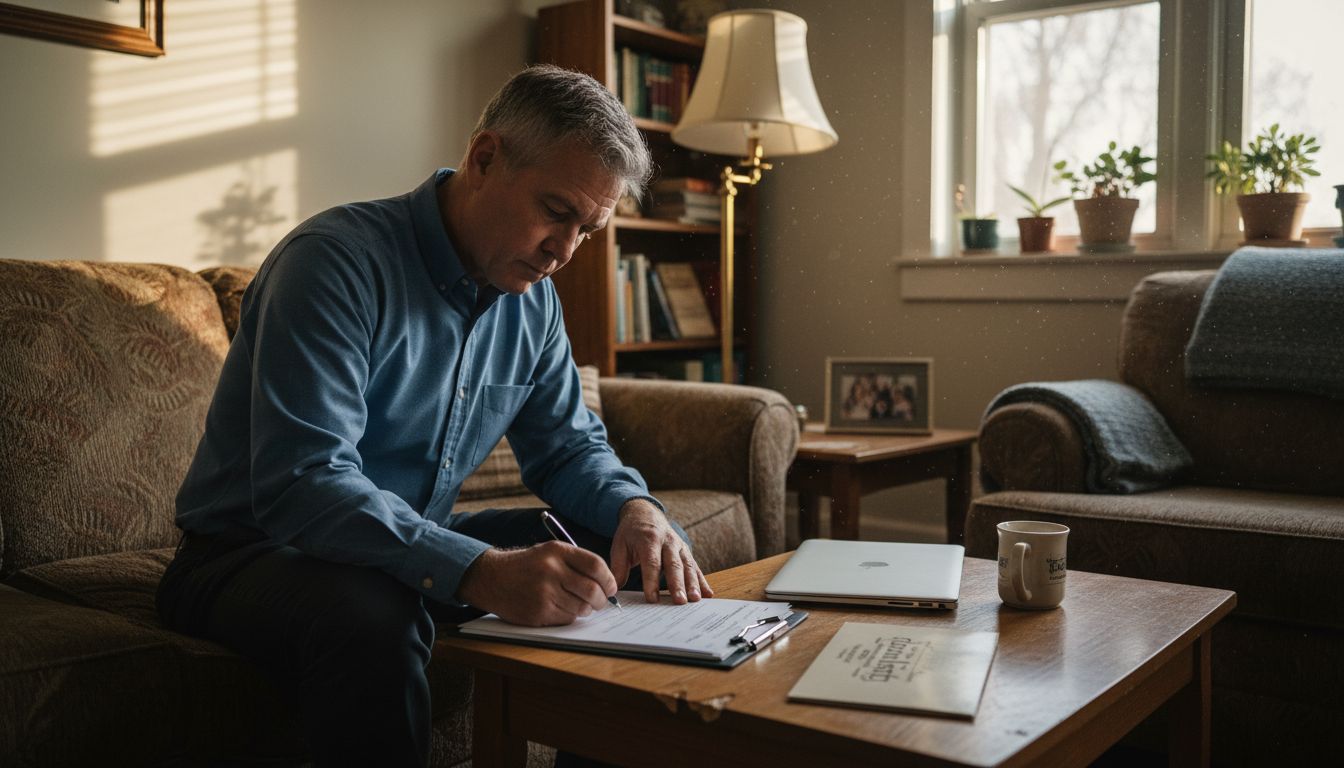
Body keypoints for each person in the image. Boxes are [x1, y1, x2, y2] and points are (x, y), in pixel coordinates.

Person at [156, 64, 712, 767]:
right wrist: (478, 570)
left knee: (630, 557)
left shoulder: (532, 300)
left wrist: (636, 507)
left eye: (589, 230)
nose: (565, 251)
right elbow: (304, 482)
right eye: (556, 211)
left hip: (397, 541)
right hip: (249, 554)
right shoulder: (334, 264)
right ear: (485, 158)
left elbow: (568, 450)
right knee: (373, 618)